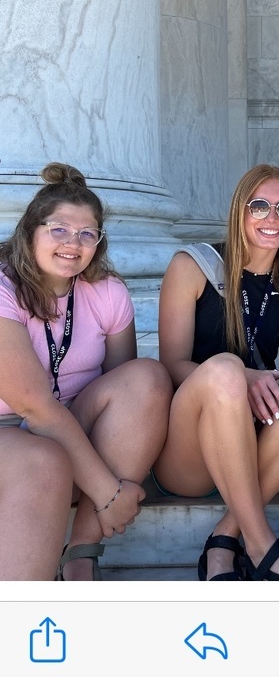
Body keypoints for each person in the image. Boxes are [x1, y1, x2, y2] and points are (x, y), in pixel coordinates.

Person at [151, 163, 279, 581]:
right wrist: (246, 378)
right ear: (240, 211)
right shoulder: (194, 266)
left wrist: (267, 386)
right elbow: (170, 366)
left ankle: (225, 538)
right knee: (224, 370)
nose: (272, 218)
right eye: (259, 206)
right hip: (190, 454)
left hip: (257, 455)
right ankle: (263, 547)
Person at [0, 163, 172, 580]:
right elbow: (34, 407)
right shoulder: (4, 289)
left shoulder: (108, 292)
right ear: (30, 232)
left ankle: (81, 551)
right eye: (59, 229)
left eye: (87, 234)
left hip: (74, 426)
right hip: (9, 433)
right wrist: (109, 493)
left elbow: (124, 390)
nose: (72, 244)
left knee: (147, 377)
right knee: (45, 459)